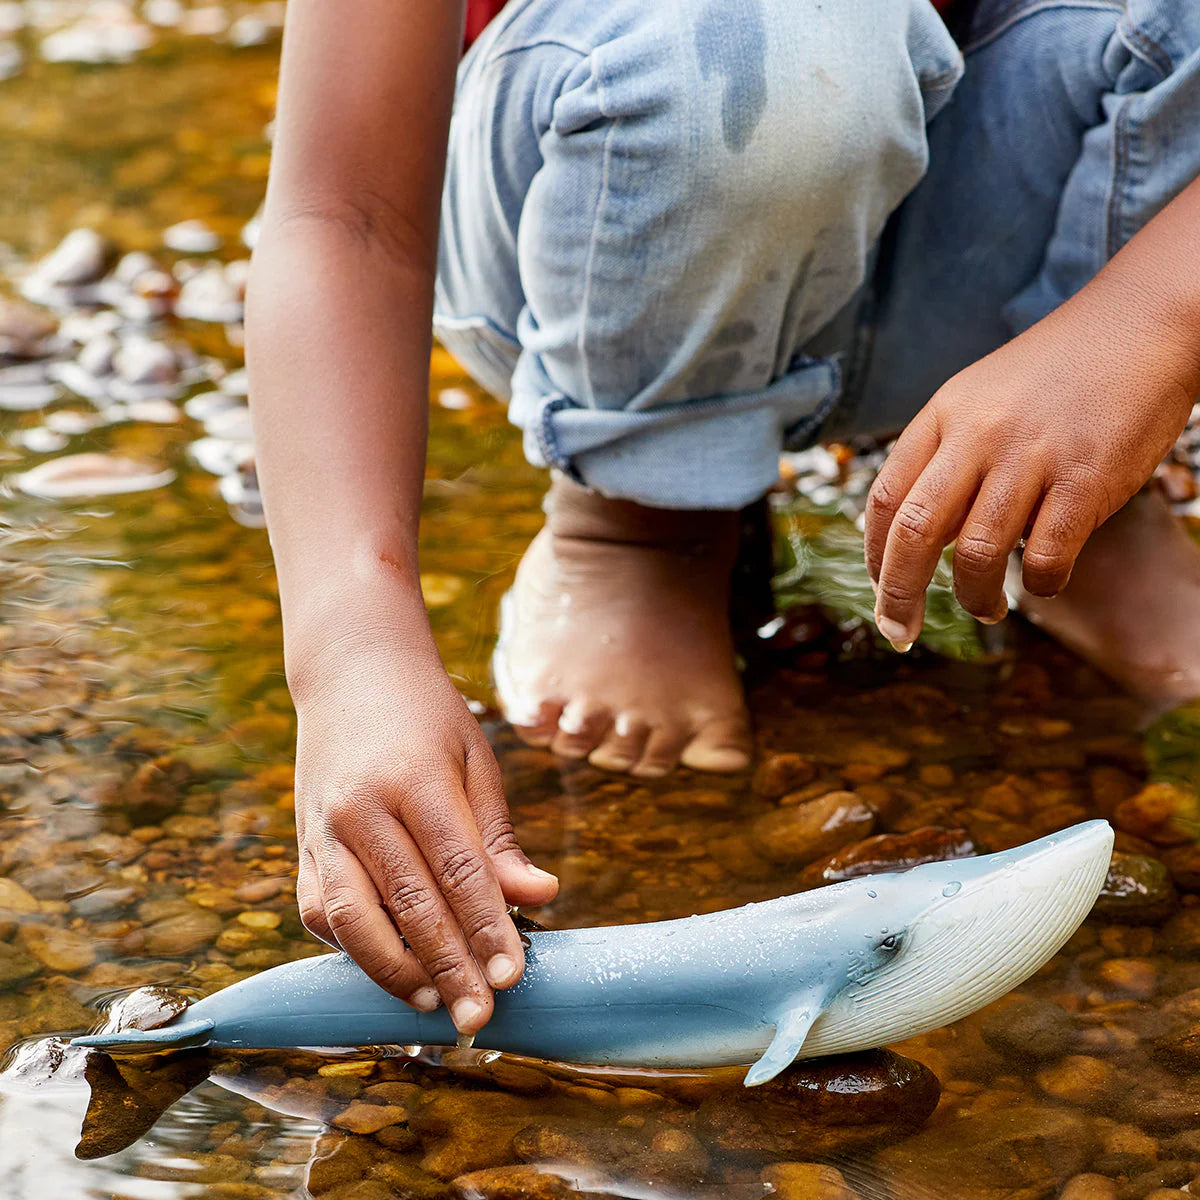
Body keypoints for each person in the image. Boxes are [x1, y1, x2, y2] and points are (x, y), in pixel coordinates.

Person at [245, 0, 1200, 1035]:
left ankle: (1071, 498)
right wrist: (351, 651)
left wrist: (1149, 321)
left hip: (1006, 247)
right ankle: (639, 513)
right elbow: (343, 215)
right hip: (608, 191)